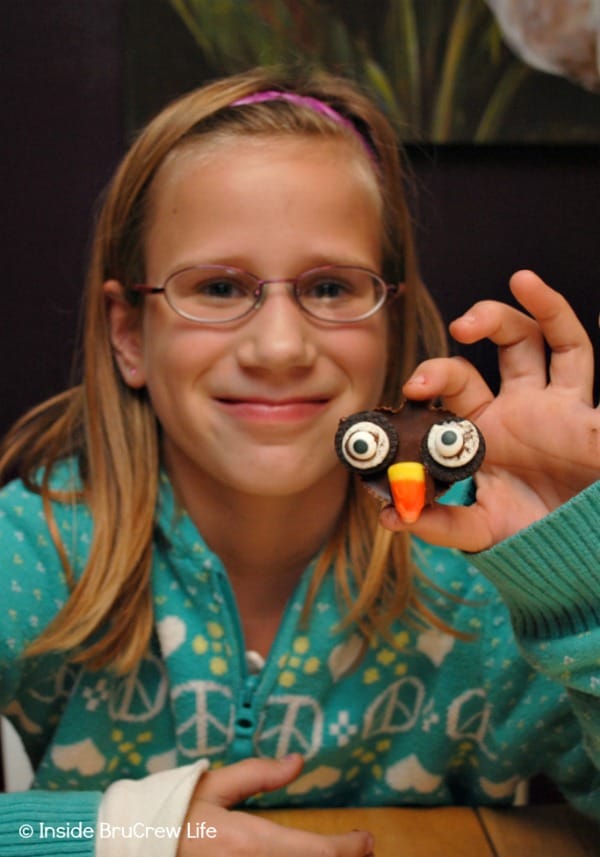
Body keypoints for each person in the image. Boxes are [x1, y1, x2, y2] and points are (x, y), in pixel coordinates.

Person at [0, 66, 598, 857]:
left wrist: (578, 579)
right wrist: (124, 833)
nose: (280, 348)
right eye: (216, 286)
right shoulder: (33, 552)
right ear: (129, 334)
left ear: (387, 319)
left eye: (328, 286)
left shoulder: (485, 572)